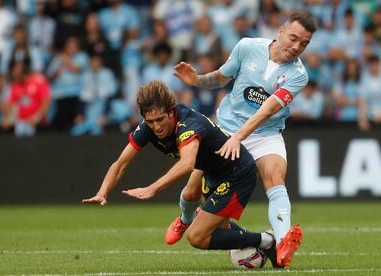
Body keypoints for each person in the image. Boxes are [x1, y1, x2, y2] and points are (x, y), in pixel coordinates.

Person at [169, 11, 316, 268]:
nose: (296, 47)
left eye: (304, 43)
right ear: (280, 31)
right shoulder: (247, 46)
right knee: (193, 189)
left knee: (274, 176)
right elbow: (221, 77)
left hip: (265, 133)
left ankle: (282, 243)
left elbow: (267, 110)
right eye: (293, 38)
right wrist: (197, 81)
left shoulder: (298, 75)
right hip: (225, 128)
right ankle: (184, 218)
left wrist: (239, 137)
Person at [82, 80, 276, 256]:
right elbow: (121, 163)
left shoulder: (188, 124)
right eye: (150, 121)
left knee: (197, 238)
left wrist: (152, 188)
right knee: (190, 195)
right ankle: (186, 220)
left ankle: (268, 241)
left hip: (237, 173)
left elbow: (187, 163)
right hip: (211, 167)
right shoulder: (148, 128)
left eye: (160, 120)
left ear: (172, 112)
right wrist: (103, 192)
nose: (156, 127)